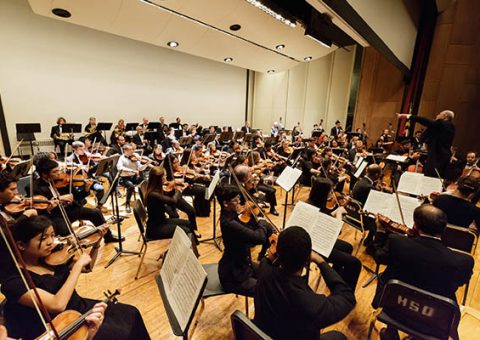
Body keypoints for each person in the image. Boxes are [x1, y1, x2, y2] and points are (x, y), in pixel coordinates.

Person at [0, 216, 150, 340]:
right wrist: (76, 267)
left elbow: (87, 268)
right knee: (122, 335)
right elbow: (57, 305)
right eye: (43, 238)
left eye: (52, 235)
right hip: (65, 324)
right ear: (21, 245)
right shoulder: (14, 282)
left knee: (131, 313)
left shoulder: (50, 258)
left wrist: (96, 244)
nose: (51, 242)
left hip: (81, 305)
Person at [371, 204, 473, 340]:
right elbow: (460, 281)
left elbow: (379, 256)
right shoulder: (464, 261)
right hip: (434, 319)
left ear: (415, 225)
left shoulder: (397, 243)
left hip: (394, 308)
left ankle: (391, 333)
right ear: (444, 228)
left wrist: (380, 231)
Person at [254, 227, 356, 340]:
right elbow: (347, 298)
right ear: (308, 259)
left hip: (266, 333)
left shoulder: (264, 268)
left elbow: (268, 259)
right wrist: (321, 261)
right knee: (339, 336)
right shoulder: (309, 303)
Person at [33, 159, 120, 243]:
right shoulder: (34, 187)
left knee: (95, 213)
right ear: (44, 174)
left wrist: (86, 189)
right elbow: (41, 207)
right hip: (55, 215)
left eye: (58, 170)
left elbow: (77, 197)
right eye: (55, 172)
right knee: (65, 232)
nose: (59, 174)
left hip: (70, 209)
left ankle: (108, 237)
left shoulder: (63, 180)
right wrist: (59, 199)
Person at [216, 184, 273, 297]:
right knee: (267, 292)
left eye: (238, 198)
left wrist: (251, 216)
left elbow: (247, 231)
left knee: (271, 276)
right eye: (235, 200)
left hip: (243, 263)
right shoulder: (229, 223)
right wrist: (261, 222)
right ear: (225, 204)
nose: (239, 202)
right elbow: (259, 238)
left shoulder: (232, 215)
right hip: (233, 275)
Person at [143, 166, 200, 239]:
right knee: (186, 231)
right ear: (159, 179)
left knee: (188, 224)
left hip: (162, 221)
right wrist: (179, 190)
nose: (166, 177)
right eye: (164, 175)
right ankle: (190, 247)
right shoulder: (153, 194)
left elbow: (167, 196)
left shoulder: (157, 190)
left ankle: (192, 247)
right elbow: (173, 201)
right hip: (155, 229)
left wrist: (173, 187)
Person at [397, 110, 455, 177]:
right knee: (429, 175)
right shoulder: (442, 126)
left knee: (432, 177)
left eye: (439, 114)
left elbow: (426, 121)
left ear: (445, 116)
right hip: (436, 154)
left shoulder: (446, 124)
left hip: (438, 157)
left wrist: (408, 116)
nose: (437, 115)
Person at [116, 144, 150, 212]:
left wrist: (147, 164)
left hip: (134, 177)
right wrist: (132, 170)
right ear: (125, 151)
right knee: (131, 186)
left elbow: (140, 168)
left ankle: (145, 203)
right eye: (130, 150)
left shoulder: (134, 157)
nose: (133, 151)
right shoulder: (121, 158)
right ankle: (127, 204)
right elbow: (119, 167)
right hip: (124, 178)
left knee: (145, 183)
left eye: (132, 149)